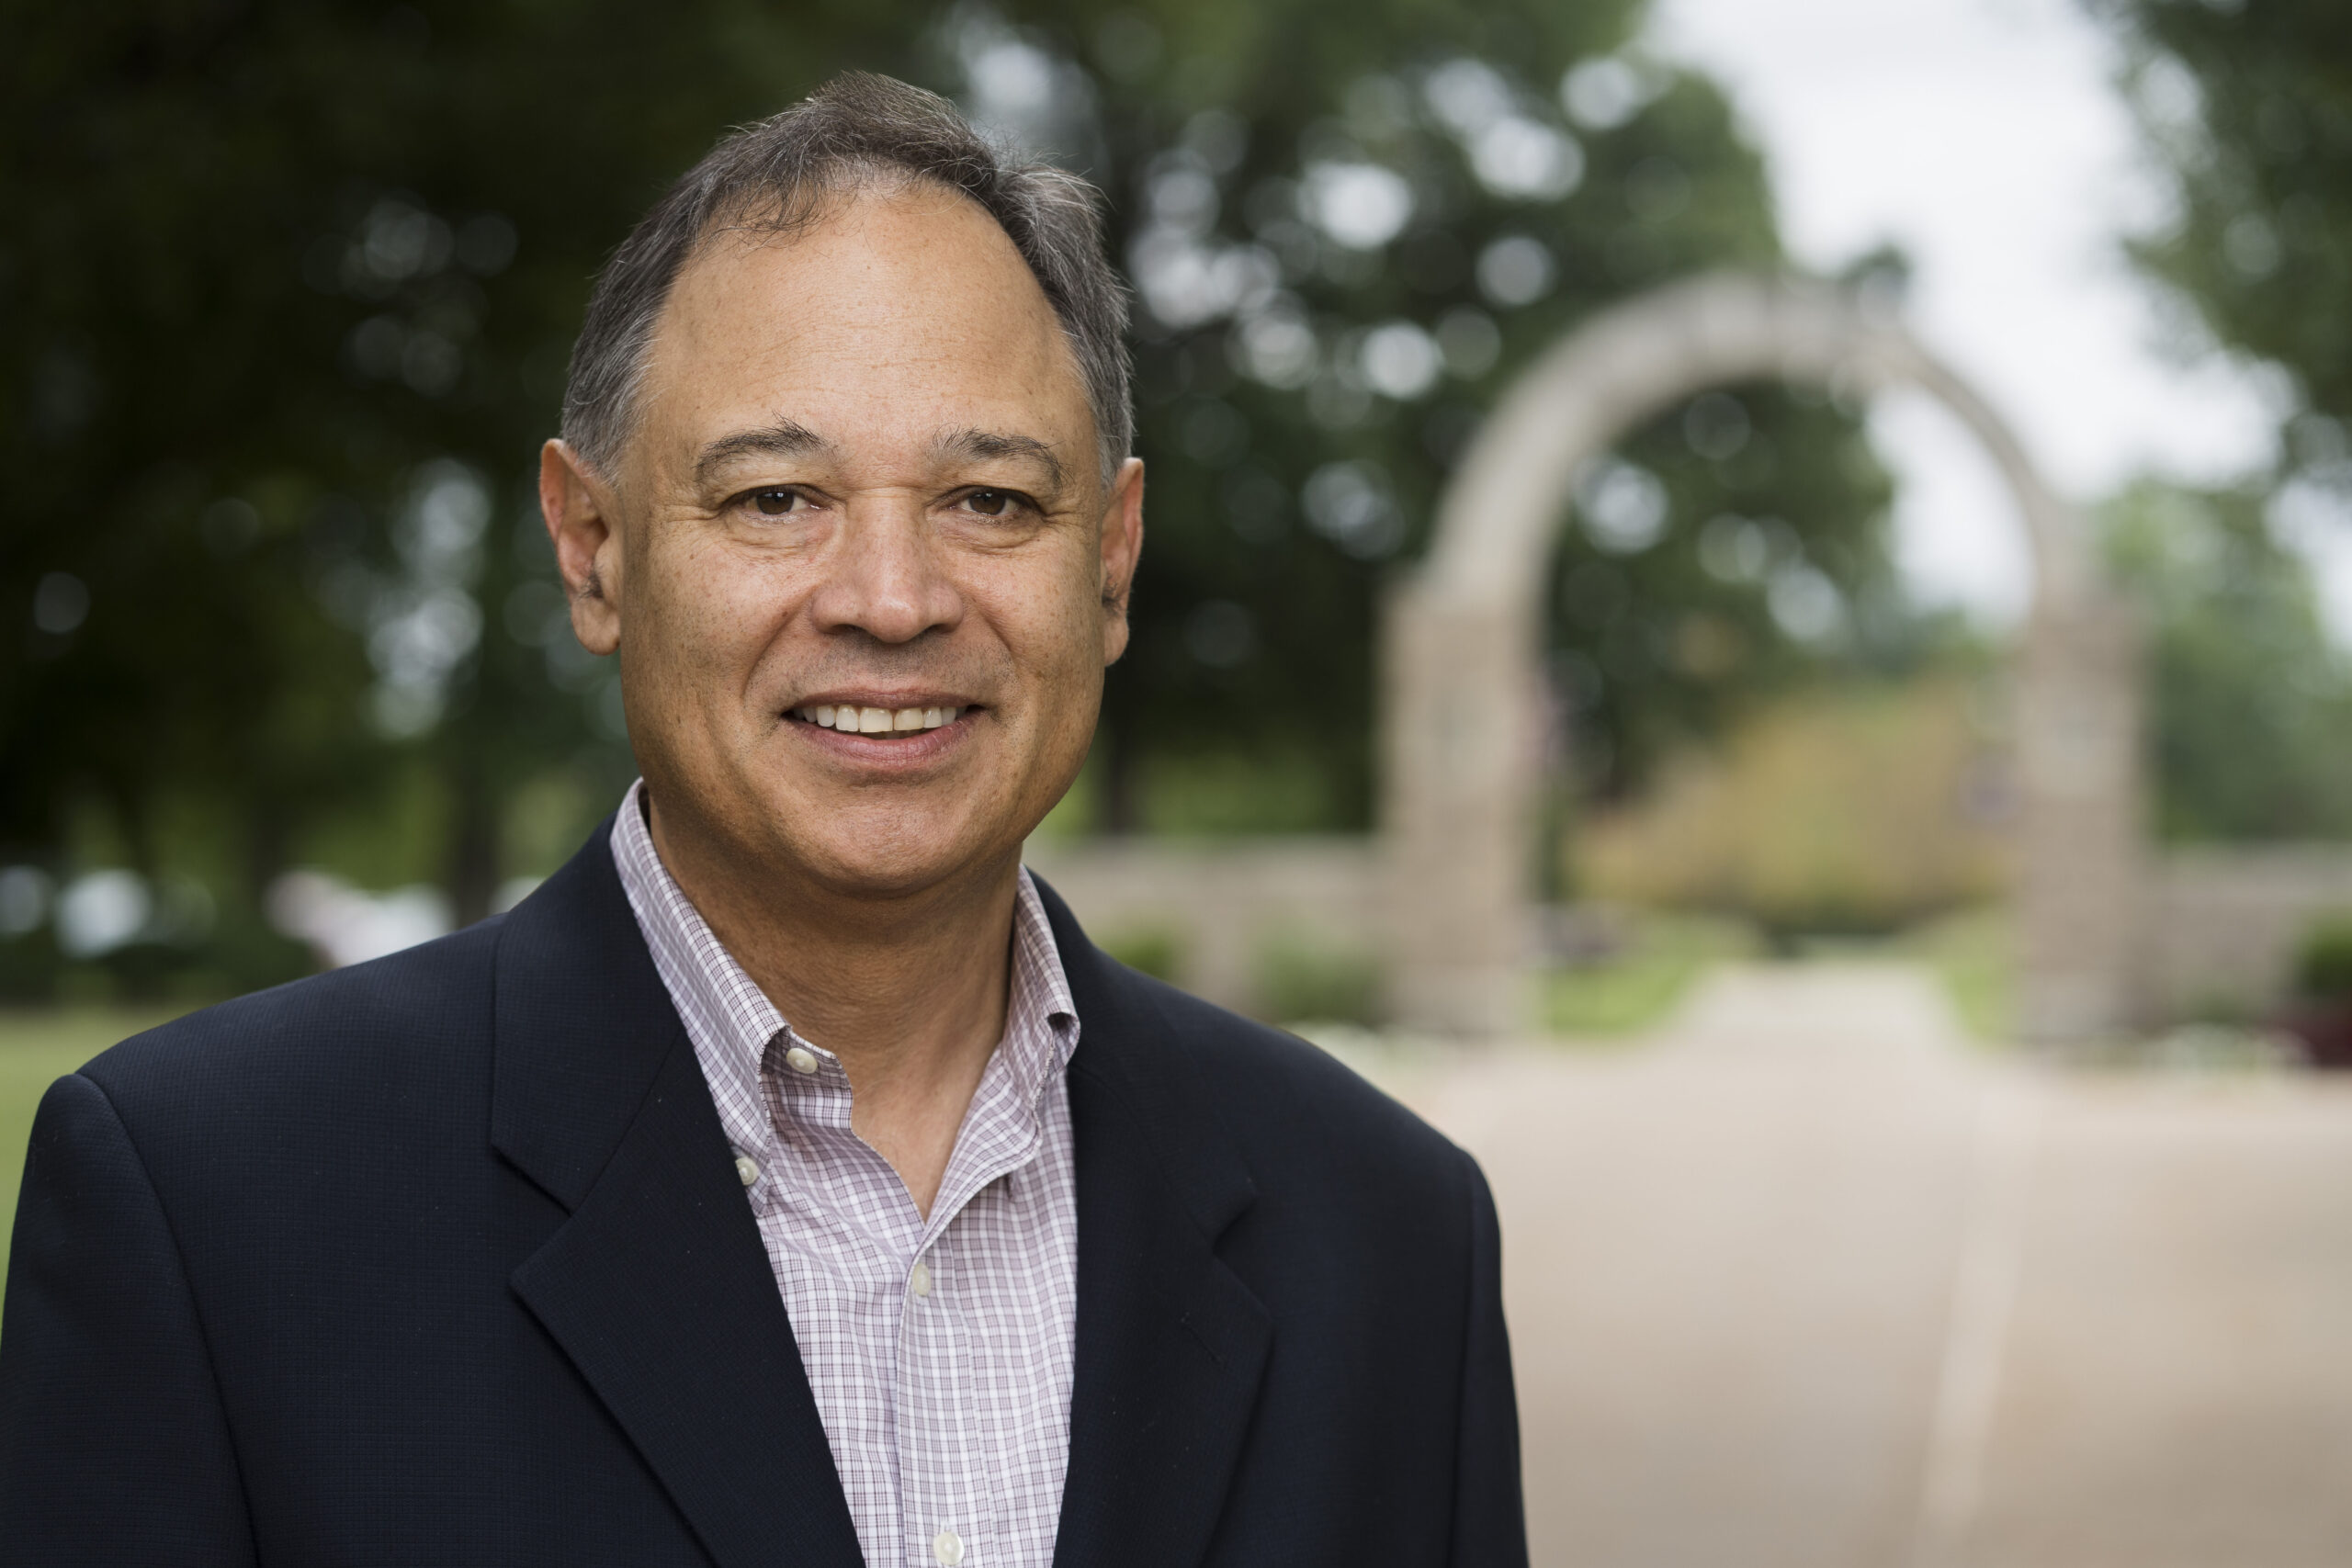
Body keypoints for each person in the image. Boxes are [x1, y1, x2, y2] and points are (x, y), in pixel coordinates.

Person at [0, 73, 1524, 1567]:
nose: (890, 601)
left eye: (989, 499)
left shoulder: (1391, 1242)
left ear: (1112, 560)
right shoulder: (210, 1213)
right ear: (592, 550)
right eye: (776, 497)